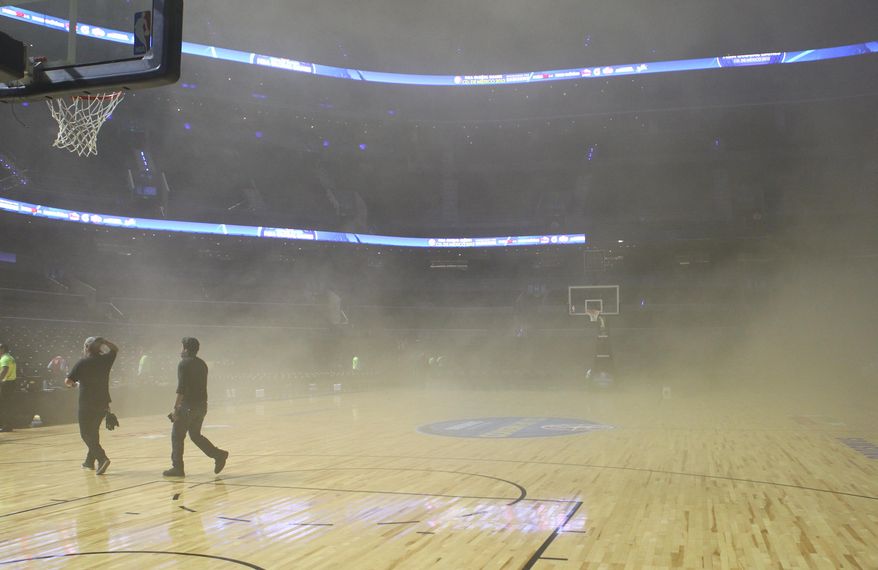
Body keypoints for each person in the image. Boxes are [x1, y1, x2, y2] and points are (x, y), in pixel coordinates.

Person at [163, 337, 228, 477]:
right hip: (202, 405)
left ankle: (177, 468)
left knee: (177, 436)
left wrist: (176, 408)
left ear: (186, 349)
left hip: (187, 406)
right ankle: (218, 455)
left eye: (182, 347)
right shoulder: (202, 364)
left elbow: (181, 388)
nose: (180, 350)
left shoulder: (184, 364)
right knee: (195, 435)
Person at [65, 337, 117, 475]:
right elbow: (115, 349)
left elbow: (68, 381)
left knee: (85, 433)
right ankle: (89, 462)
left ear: (87, 348)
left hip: (87, 403)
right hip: (103, 402)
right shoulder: (106, 360)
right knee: (93, 432)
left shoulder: (83, 363)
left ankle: (102, 457)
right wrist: (105, 341)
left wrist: (74, 385)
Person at [0, 344, 18, 432]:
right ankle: (8, 425)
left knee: (4, 405)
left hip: (6, 383)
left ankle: (6, 426)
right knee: (8, 405)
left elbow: (5, 370)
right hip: (11, 383)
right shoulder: (10, 357)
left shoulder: (5, 359)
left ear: (2, 349)